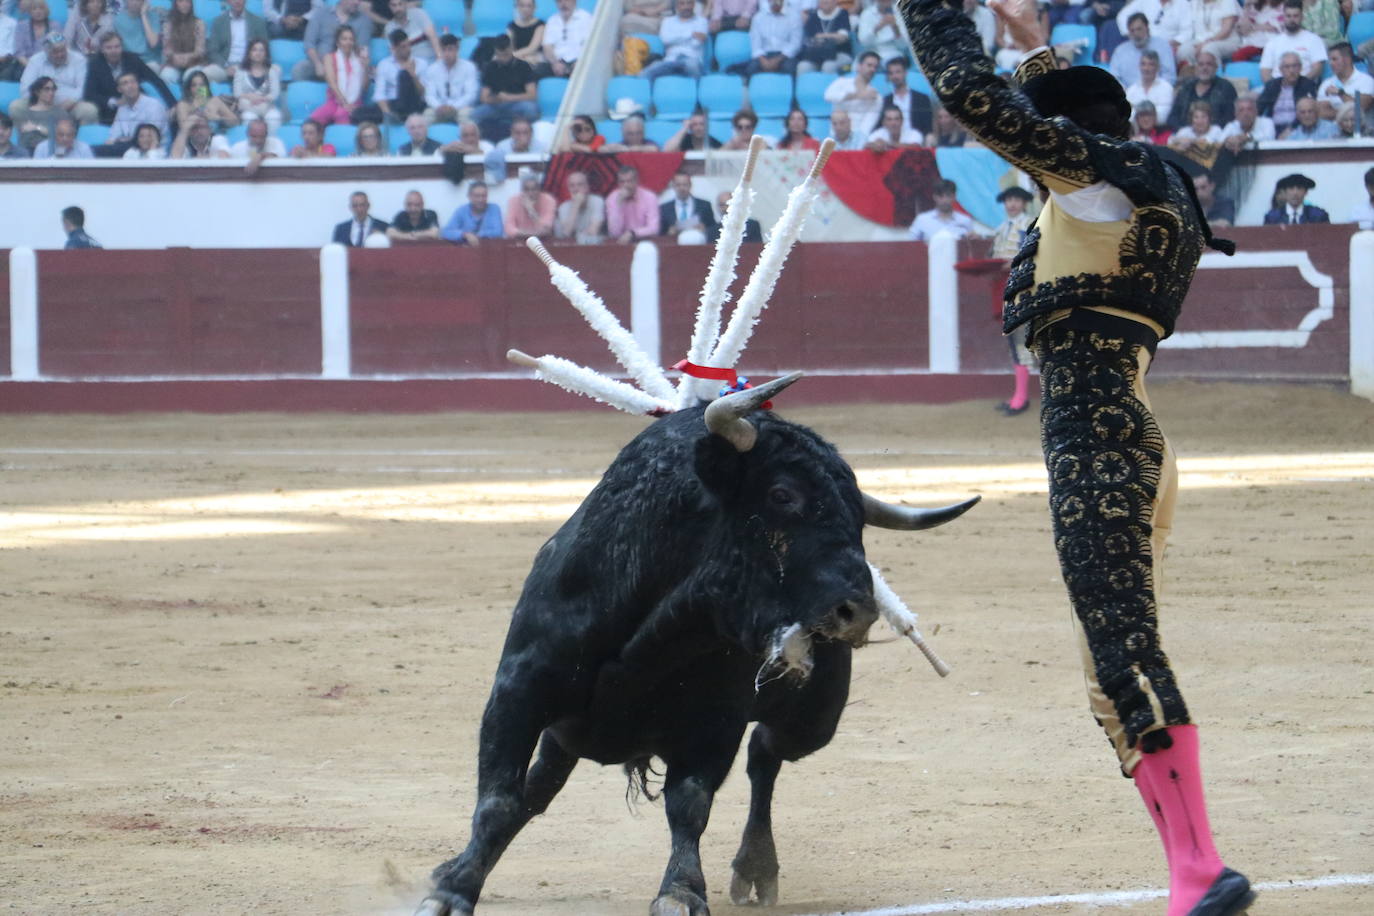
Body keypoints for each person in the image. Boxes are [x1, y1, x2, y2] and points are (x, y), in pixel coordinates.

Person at [897, 1, 1253, 914]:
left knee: (1121, 650)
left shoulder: (1091, 186)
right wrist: (1034, 45)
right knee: (1107, 671)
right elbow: (1048, 116)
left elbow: (976, 98)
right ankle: (1190, 871)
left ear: (1063, 138)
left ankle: (1204, 869)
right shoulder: (1134, 183)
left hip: (1097, 433)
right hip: (1127, 425)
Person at [989, 184, 1037, 416]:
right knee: (1015, 341)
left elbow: (1035, 254)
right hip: (1006, 288)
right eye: (1008, 200)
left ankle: (1021, 398)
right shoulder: (1000, 228)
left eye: (1016, 200)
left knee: (1021, 341)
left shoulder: (1029, 225)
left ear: (1024, 202)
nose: (1012, 204)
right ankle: (1019, 396)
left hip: (1024, 289)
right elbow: (994, 255)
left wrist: (1014, 263)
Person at [84, 31, 176, 127]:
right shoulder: (95, 65)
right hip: (111, 114)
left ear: (122, 46)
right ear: (102, 49)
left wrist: (172, 104)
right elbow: (89, 94)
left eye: (117, 46)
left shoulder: (132, 59)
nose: (114, 51)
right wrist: (114, 102)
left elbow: (156, 80)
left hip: (138, 107)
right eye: (109, 48)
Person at [15, 34, 99, 126]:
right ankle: (27, 137)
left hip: (70, 104)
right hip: (39, 103)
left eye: (63, 50)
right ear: (46, 52)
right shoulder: (36, 60)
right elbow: (26, 88)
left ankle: (80, 140)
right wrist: (40, 104)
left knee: (89, 110)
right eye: (55, 52)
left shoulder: (79, 60)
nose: (60, 55)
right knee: (16, 107)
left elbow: (83, 88)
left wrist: (71, 102)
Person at [472, 34, 538, 143]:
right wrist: (495, 99)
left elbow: (532, 95)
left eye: (505, 55)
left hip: (517, 104)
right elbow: (484, 97)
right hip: (496, 105)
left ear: (511, 49)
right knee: (475, 114)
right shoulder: (490, 67)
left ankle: (526, 137)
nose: (503, 58)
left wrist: (509, 97)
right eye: (499, 55)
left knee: (530, 109)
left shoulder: (524, 66)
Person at [298, 0, 371, 81]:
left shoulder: (364, 20)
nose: (357, 2)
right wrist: (317, 64)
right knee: (300, 70)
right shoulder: (321, 14)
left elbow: (362, 48)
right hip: (319, 62)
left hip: (347, 65)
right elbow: (309, 43)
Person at [1167, 49, 1235, 131]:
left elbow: (1230, 118)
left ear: (1216, 68)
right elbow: (1173, 117)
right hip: (1186, 136)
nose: (1204, 68)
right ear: (1195, 68)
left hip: (1215, 136)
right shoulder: (1186, 88)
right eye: (1201, 64)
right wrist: (1185, 132)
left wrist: (1206, 131)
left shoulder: (1226, 88)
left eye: (1209, 64)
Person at [312, 25, 367, 126]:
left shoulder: (359, 61)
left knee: (341, 115)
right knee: (314, 120)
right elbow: (331, 82)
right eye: (344, 39)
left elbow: (364, 88)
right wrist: (344, 103)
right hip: (334, 101)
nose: (348, 42)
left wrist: (365, 68)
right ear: (338, 42)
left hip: (355, 102)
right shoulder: (329, 57)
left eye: (351, 39)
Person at [204, 0, 268, 84]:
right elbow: (212, 50)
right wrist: (226, 66)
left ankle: (259, 97)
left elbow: (265, 48)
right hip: (225, 66)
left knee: (275, 70)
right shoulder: (218, 22)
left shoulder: (257, 22)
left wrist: (252, 65)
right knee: (203, 76)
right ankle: (201, 97)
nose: (237, 1)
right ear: (228, 1)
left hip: (250, 66)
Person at [1258, 0, 1323, 82]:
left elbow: (1317, 69)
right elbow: (1265, 71)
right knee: (1249, 95)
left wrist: (1300, 84)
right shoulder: (1272, 43)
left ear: (1302, 17)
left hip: (1304, 87)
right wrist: (1274, 89)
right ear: (1283, 17)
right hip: (1277, 88)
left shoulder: (1314, 40)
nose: (1292, 19)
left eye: (1295, 16)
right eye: (1288, 16)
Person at [642, 0, 709, 80]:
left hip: (691, 59)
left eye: (689, 3)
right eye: (682, 3)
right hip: (670, 60)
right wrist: (691, 34)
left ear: (693, 5)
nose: (686, 7)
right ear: (677, 6)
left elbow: (696, 43)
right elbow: (665, 40)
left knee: (692, 66)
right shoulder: (667, 21)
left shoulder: (701, 21)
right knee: (645, 73)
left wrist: (674, 38)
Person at [823, 49, 883, 136]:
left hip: (858, 139)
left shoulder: (876, 96)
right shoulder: (841, 82)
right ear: (859, 66)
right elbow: (827, 96)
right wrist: (857, 96)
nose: (872, 69)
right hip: (836, 135)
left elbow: (868, 124)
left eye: (875, 67)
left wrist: (856, 140)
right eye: (869, 65)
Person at [106, 70, 168, 152]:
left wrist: (124, 140)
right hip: (128, 149)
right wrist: (116, 140)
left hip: (152, 150)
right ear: (119, 89)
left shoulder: (153, 105)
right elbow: (114, 135)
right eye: (125, 83)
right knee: (100, 151)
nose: (130, 86)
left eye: (133, 82)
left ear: (138, 85)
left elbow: (150, 137)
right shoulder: (122, 108)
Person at [1109, 13, 1177, 86]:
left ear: (1147, 28)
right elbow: (1114, 78)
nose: (1136, 34)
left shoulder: (1162, 46)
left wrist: (1155, 90)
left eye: (1139, 29)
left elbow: (1169, 76)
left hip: (1158, 93)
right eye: (1132, 30)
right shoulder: (1120, 51)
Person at [373, 29, 426, 124]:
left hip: (413, 104)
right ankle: (395, 117)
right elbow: (379, 94)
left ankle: (402, 116)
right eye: (403, 47)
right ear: (394, 48)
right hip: (393, 104)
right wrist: (387, 113)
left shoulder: (421, 63)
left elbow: (423, 94)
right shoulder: (384, 64)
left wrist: (413, 75)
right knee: (358, 113)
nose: (408, 49)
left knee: (404, 75)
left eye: (408, 45)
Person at [425, 33, 479, 125]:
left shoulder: (469, 67)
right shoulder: (432, 69)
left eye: (450, 49)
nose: (446, 54)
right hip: (439, 108)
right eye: (444, 50)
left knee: (467, 116)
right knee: (426, 116)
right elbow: (429, 95)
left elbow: (471, 95)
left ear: (457, 49)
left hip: (461, 108)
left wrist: (454, 107)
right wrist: (438, 106)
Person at [1256, 49, 1316, 132]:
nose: (1291, 70)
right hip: (1272, 128)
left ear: (1300, 67)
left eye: (1294, 66)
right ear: (1281, 69)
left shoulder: (1308, 85)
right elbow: (1259, 109)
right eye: (1287, 67)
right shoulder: (1272, 85)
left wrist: (1291, 129)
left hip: (1298, 128)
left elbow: (1310, 113)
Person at [739, 0, 802, 76]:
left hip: (785, 56)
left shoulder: (794, 17)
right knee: (751, 69)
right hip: (764, 55)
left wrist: (778, 60)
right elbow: (755, 44)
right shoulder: (758, 17)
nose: (775, 3)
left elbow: (795, 44)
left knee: (789, 68)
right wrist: (763, 60)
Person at [233, 38, 281, 131]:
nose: (258, 53)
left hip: (266, 106)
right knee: (248, 117)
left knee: (275, 116)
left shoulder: (272, 71)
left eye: (261, 50)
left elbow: (275, 93)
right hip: (248, 106)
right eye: (254, 50)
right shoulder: (240, 71)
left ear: (265, 53)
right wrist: (250, 96)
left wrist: (262, 98)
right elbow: (237, 93)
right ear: (249, 53)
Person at [1316, 43, 1374, 120]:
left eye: (1334, 59)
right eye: (1330, 60)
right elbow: (1322, 112)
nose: (1331, 63)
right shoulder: (1326, 83)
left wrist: (1340, 93)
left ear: (1347, 59)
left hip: (1362, 130)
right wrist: (1347, 114)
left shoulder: (1366, 81)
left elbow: (1360, 108)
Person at [605, 164, 660, 244]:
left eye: (629, 181)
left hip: (644, 241)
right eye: (622, 182)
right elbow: (614, 232)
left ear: (637, 181)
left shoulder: (650, 197)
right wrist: (618, 205)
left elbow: (654, 228)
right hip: (620, 243)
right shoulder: (612, 198)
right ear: (618, 183)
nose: (626, 185)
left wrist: (633, 233)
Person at [797, 0, 853, 75]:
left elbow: (842, 37)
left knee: (828, 66)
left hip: (839, 53)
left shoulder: (842, 13)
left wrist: (822, 36)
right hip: (816, 54)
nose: (824, 1)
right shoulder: (814, 16)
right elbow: (810, 39)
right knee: (802, 67)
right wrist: (832, 37)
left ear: (835, 2)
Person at [1179, 0, 1242, 67]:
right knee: (1184, 49)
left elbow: (1226, 29)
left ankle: (1215, 76)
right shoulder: (1194, 2)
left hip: (1227, 40)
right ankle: (1192, 75)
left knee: (1209, 48)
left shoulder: (1227, 2)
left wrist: (1206, 43)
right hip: (1200, 41)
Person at [159, 0, 207, 86]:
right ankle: (174, 100)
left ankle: (201, 99)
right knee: (165, 76)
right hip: (173, 63)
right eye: (181, 1)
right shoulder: (168, 24)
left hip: (195, 63)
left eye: (187, 1)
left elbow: (200, 50)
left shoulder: (199, 23)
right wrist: (174, 57)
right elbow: (167, 49)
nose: (184, 4)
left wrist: (186, 57)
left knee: (193, 78)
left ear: (191, 4)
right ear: (175, 4)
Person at [659, 170, 716, 242]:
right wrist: (669, 233)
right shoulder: (664, 208)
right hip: (673, 245)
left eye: (685, 184)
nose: (682, 188)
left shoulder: (704, 205)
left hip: (698, 244)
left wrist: (704, 229)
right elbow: (660, 233)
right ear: (673, 186)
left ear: (690, 185)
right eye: (678, 185)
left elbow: (713, 229)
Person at [441, 180, 504, 245]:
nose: (481, 199)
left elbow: (498, 232)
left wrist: (475, 235)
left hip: (489, 250)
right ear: (469, 196)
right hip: (465, 251)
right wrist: (465, 235)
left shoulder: (494, 209)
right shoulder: (461, 210)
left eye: (484, 196)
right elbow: (446, 232)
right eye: (477, 196)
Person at [883, 55, 933, 136]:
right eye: (891, 73)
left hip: (917, 143)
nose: (895, 76)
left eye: (898, 72)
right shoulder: (885, 100)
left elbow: (928, 127)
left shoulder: (922, 98)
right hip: (892, 143)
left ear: (905, 73)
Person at [173, 69, 239, 129]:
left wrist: (217, 119)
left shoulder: (215, 101)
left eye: (201, 85)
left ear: (206, 87)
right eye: (194, 85)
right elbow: (183, 129)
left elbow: (235, 121)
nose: (198, 88)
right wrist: (196, 112)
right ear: (189, 89)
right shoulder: (183, 105)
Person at [909, 178, 974, 240]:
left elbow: (970, 246)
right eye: (940, 196)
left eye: (948, 196)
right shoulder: (922, 220)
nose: (944, 200)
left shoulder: (965, 220)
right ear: (934, 197)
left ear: (954, 197)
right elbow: (911, 245)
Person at [542, 0, 592, 77]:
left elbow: (590, 46)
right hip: (557, 62)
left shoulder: (586, 18)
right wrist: (555, 63)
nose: (563, 4)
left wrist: (581, 62)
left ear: (574, 1)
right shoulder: (552, 20)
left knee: (583, 71)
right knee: (538, 70)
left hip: (579, 62)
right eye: (560, 1)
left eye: (567, 0)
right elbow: (547, 47)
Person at [555, 169, 606, 244]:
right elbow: (566, 233)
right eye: (572, 186)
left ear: (587, 187)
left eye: (580, 185)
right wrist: (576, 206)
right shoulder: (563, 207)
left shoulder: (597, 201)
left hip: (594, 246)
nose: (576, 189)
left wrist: (578, 236)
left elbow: (594, 230)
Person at [504, 171, 557, 239]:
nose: (530, 193)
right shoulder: (513, 201)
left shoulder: (549, 200)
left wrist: (531, 211)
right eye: (526, 190)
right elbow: (509, 229)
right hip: (520, 239)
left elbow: (546, 230)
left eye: (534, 189)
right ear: (522, 191)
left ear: (539, 189)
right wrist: (530, 234)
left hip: (543, 241)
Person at [385, 0, 440, 65]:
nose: (398, 8)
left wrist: (439, 60)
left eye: (400, 4)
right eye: (394, 5)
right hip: (409, 66)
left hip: (430, 61)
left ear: (405, 4)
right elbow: (395, 53)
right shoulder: (389, 28)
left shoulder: (419, 14)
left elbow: (433, 38)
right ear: (389, 7)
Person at [1262, 172, 1328, 222]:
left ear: (1306, 192)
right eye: (1291, 188)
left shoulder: (1318, 216)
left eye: (1299, 188)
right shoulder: (1272, 217)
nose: (1295, 193)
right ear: (1285, 192)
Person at [13, 0, 58, 74]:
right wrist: (32, 67)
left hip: (49, 65)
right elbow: (19, 52)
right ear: (29, 11)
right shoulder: (21, 26)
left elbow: (58, 48)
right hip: (25, 65)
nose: (38, 11)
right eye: (34, 9)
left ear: (46, 10)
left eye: (41, 8)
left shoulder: (55, 26)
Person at [113, 0, 162, 67]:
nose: (134, 2)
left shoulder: (154, 16)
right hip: (129, 61)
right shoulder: (117, 20)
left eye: (138, 0)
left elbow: (153, 43)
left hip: (150, 61)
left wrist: (143, 15)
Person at [507, 0, 547, 75]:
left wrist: (509, 56)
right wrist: (520, 58)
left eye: (529, 6)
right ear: (517, 7)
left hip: (535, 58)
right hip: (520, 58)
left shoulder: (541, 25)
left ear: (534, 8)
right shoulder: (511, 25)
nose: (525, 9)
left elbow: (532, 48)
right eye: (522, 5)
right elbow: (509, 48)